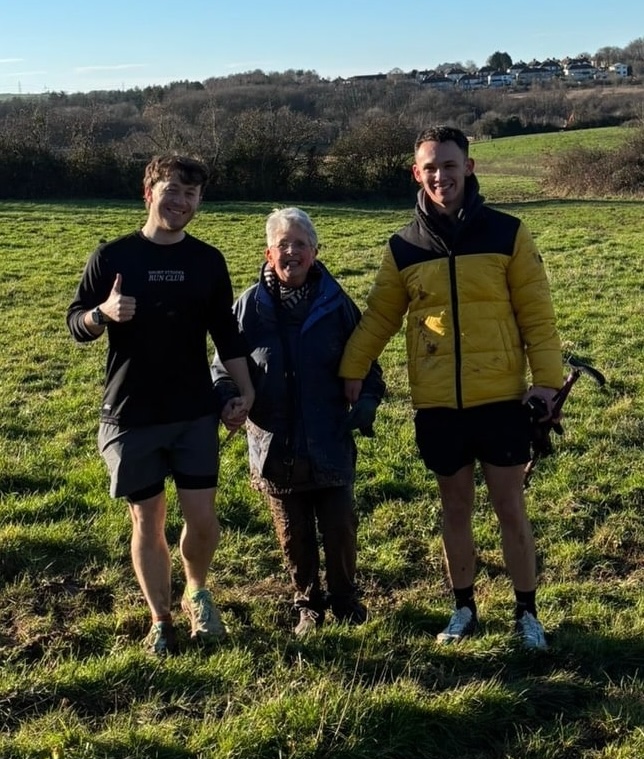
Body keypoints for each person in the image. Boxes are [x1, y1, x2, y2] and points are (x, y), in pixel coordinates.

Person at [339, 126, 563, 650]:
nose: (441, 176)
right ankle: (463, 609)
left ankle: (527, 614)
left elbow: (538, 317)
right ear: (417, 174)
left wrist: (548, 384)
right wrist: (353, 369)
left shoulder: (509, 233)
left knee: (511, 508)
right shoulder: (403, 247)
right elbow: (379, 317)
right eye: (431, 168)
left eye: (450, 165)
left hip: (503, 399)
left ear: (469, 167)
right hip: (439, 404)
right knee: (454, 508)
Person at [66, 154, 255, 656]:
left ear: (199, 202)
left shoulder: (207, 261)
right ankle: (160, 618)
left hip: (193, 412)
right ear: (148, 191)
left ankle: (197, 591)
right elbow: (75, 322)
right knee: (147, 522)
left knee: (204, 519)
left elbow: (227, 333)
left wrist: (245, 391)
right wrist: (102, 315)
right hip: (131, 414)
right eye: (172, 189)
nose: (181, 201)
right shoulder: (112, 257)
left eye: (191, 194)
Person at [212, 207, 385, 637]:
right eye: (283, 245)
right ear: (269, 253)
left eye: (301, 245)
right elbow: (221, 367)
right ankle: (308, 604)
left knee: (340, 525)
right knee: (293, 533)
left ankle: (346, 600)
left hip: (330, 435)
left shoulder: (336, 302)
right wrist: (228, 398)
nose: (292, 252)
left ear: (315, 251)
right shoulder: (248, 306)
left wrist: (366, 400)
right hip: (275, 442)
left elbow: (367, 362)